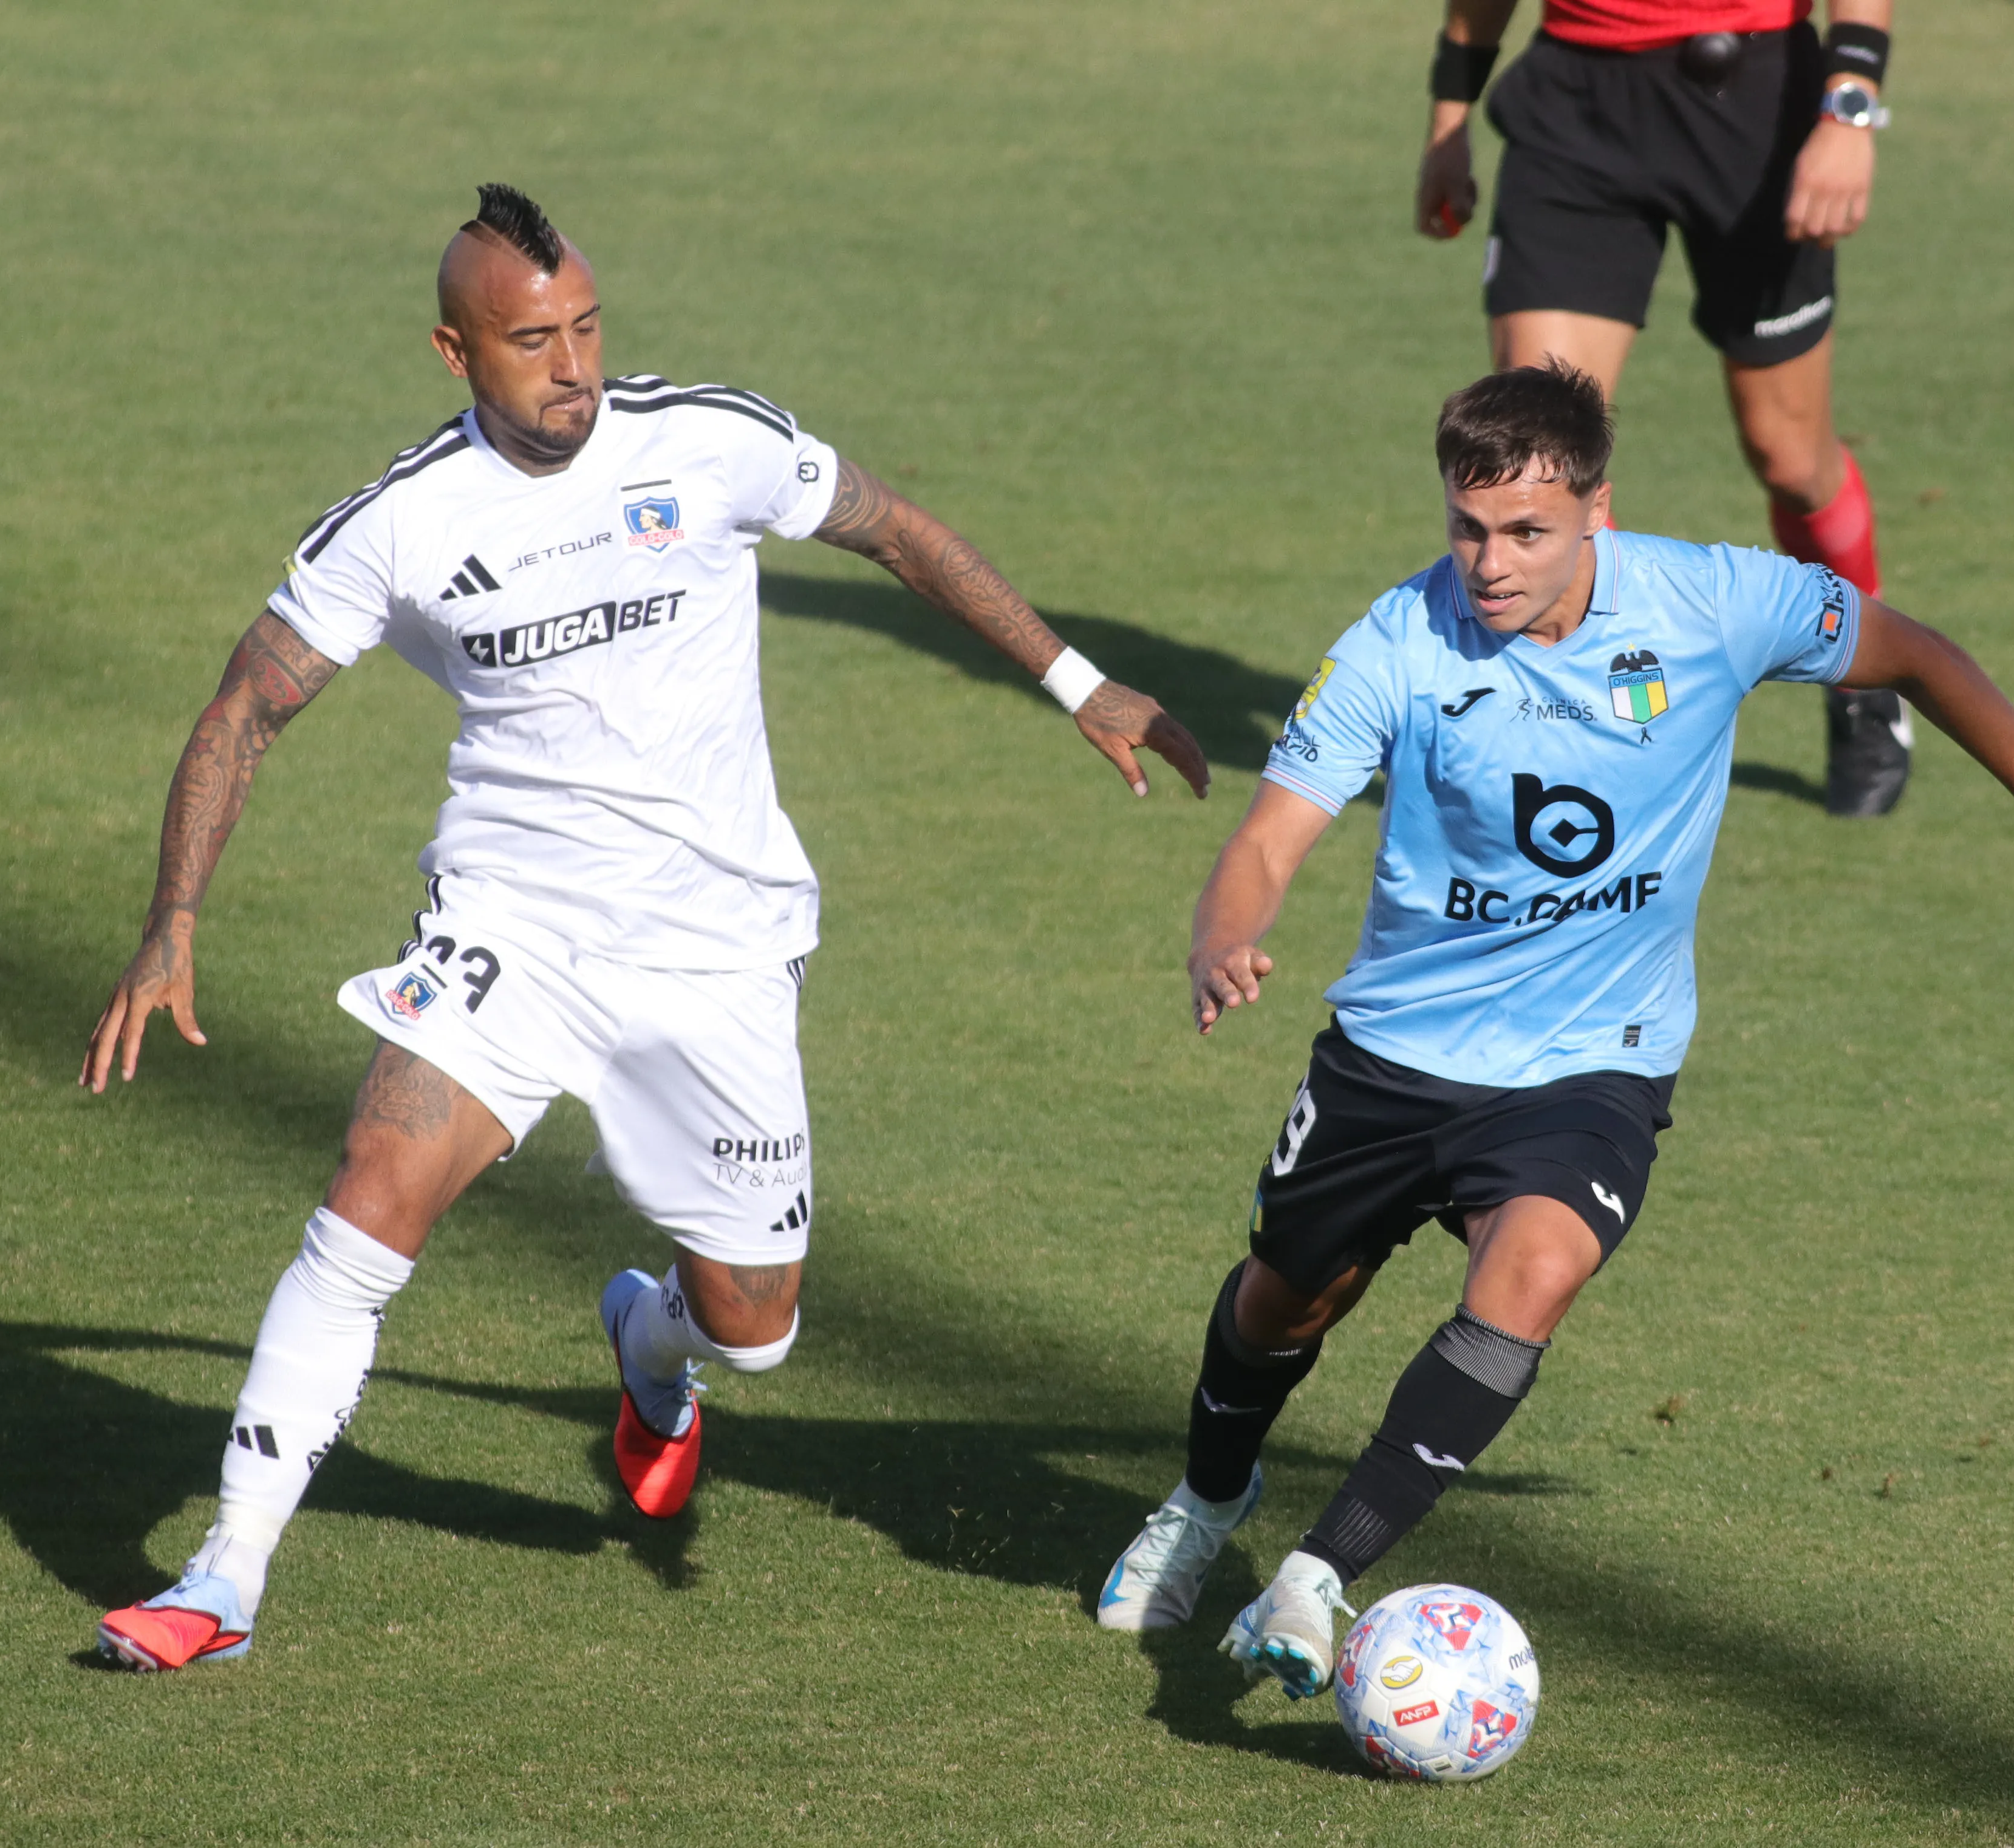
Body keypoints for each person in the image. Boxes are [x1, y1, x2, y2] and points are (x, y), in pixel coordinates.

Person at [83, 183, 1210, 1672]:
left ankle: (650, 1345)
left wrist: (1080, 685)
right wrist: (173, 921)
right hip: (516, 924)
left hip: (720, 947)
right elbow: (246, 708)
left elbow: (894, 530)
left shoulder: (707, 443)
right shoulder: (404, 523)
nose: (573, 368)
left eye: (588, 329)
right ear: (452, 350)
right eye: (533, 340)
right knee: (373, 1189)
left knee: (756, 1328)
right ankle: (224, 1575)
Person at [1093, 363, 2014, 1703]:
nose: (1489, 563)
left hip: (1594, 1059)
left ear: (1596, 508)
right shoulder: (1397, 644)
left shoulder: (1715, 602)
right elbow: (1269, 834)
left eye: (1525, 532)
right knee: (1284, 1300)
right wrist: (1220, 934)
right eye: (1467, 529)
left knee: (1532, 1272)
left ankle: (1315, 1578)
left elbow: (1916, 654)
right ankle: (1203, 1501)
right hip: (1394, 1055)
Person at [1414, 0, 1916, 816]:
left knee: (1790, 458)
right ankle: (1593, 727)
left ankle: (1865, 682)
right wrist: (1448, 122)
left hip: (1755, 103)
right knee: (1540, 461)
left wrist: (1850, 104)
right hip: (1577, 110)